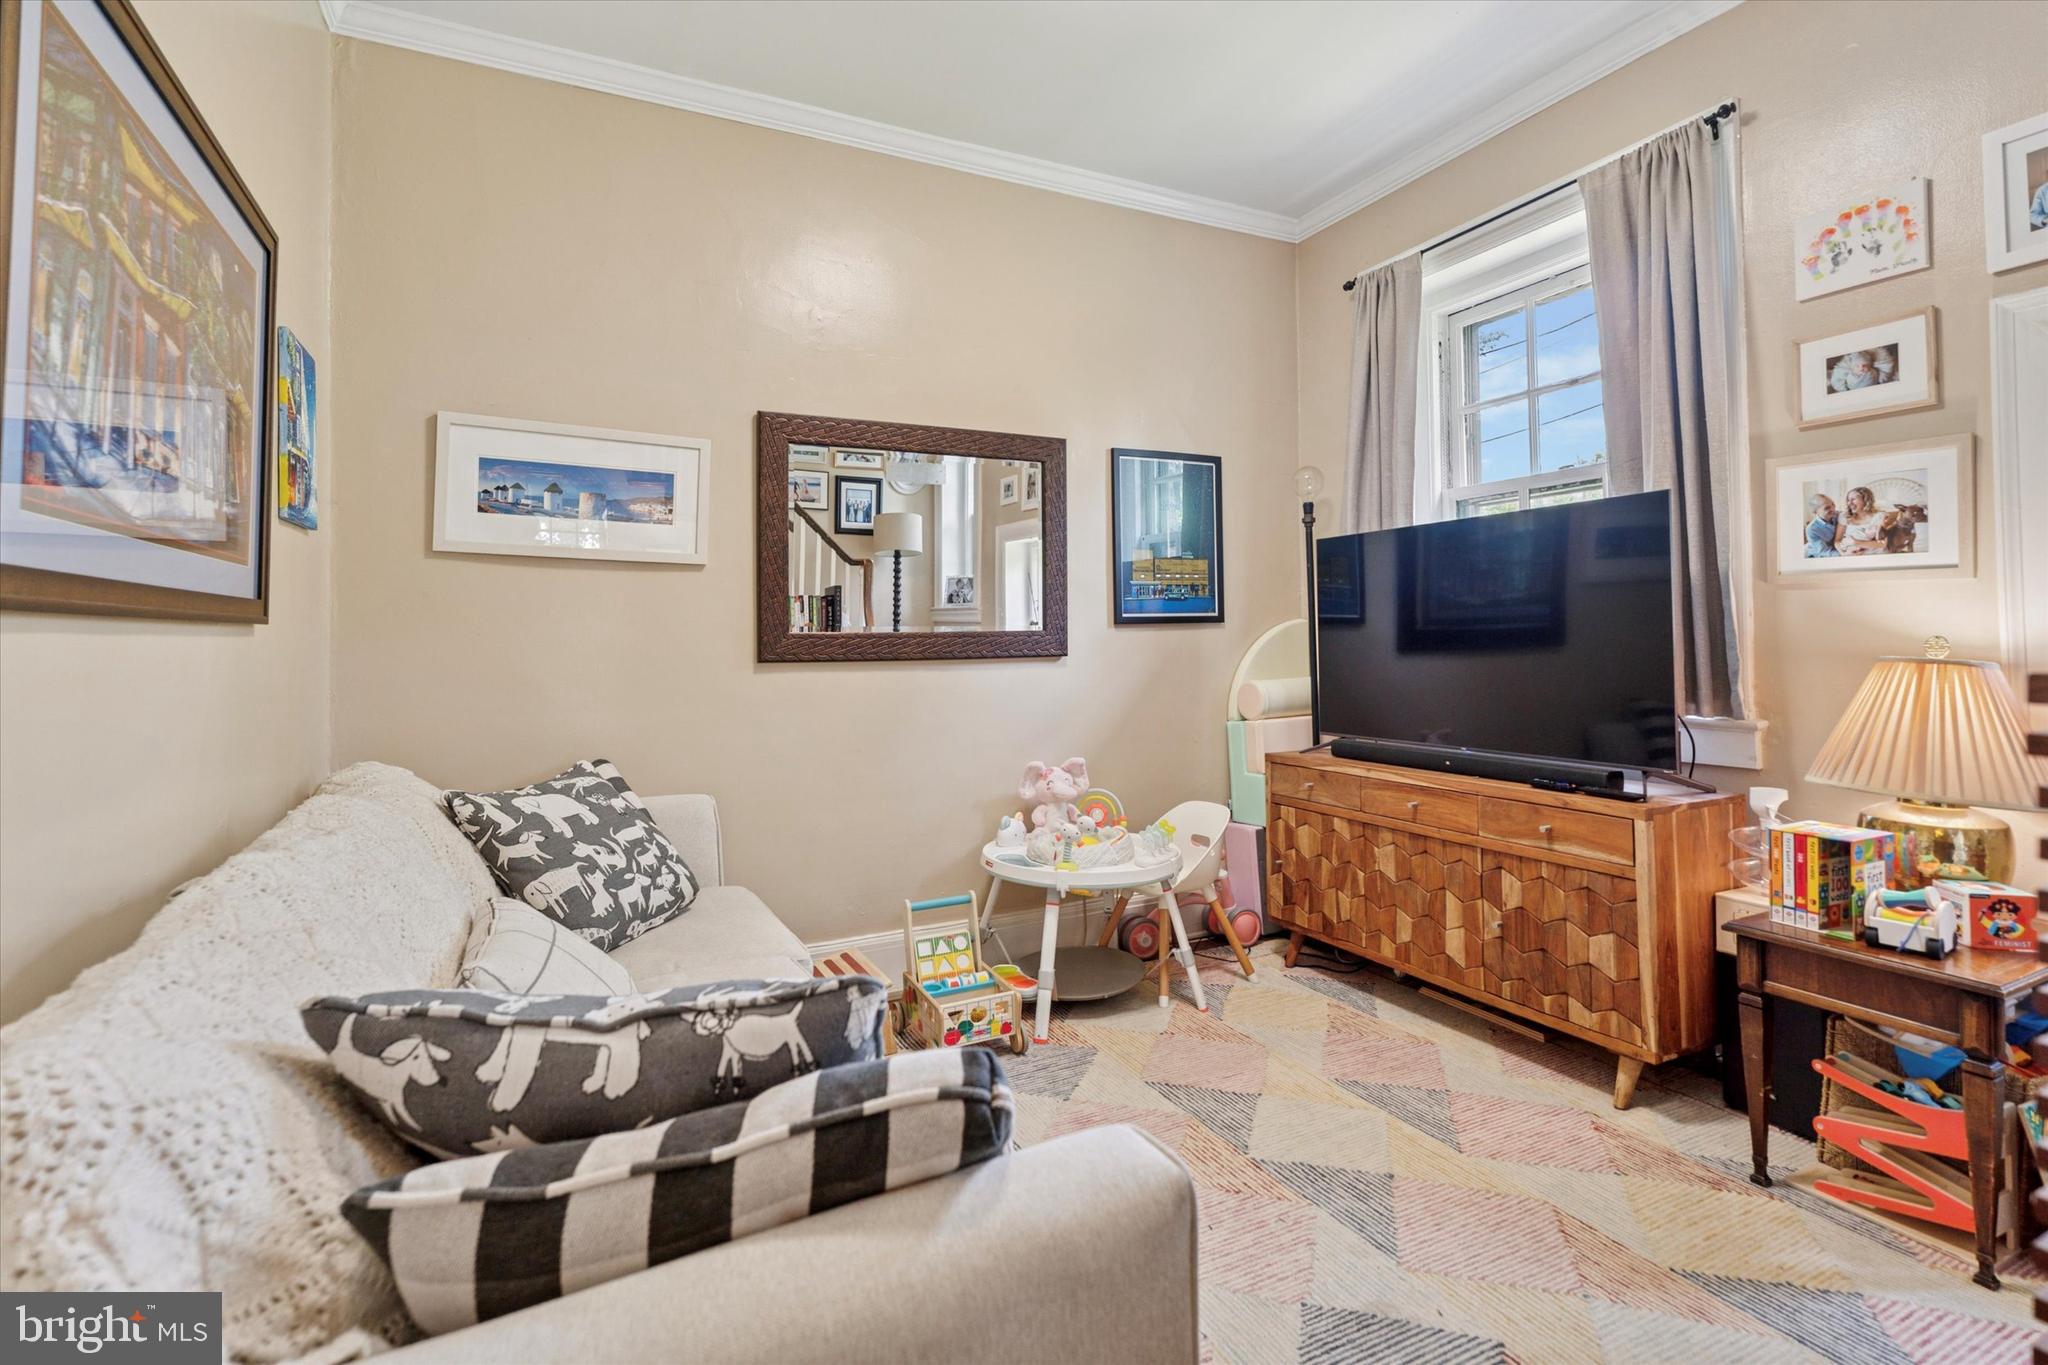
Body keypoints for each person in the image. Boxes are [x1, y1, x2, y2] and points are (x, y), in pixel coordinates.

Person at [1836, 485, 1886, 554]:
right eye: (1848, 500)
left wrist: (1856, 543)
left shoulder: (1880, 516)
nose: (1849, 503)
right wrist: (1844, 554)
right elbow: (1837, 541)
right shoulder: (1844, 516)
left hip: (1874, 556)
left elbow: (1883, 543)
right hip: (1852, 556)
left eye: (1853, 499)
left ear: (1865, 500)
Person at [1827, 348, 1894, 392]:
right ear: (1852, 368)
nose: (1861, 368)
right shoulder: (1847, 371)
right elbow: (1837, 378)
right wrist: (1843, 389)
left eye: (1864, 365)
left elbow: (1886, 369)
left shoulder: (1874, 371)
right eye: (1857, 366)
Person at [1803, 492, 1839, 558]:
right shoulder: (1812, 529)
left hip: (1836, 548)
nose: (1833, 509)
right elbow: (1823, 552)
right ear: (1815, 512)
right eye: (1827, 508)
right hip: (1821, 554)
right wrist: (1844, 555)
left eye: (1833, 504)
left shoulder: (1838, 515)